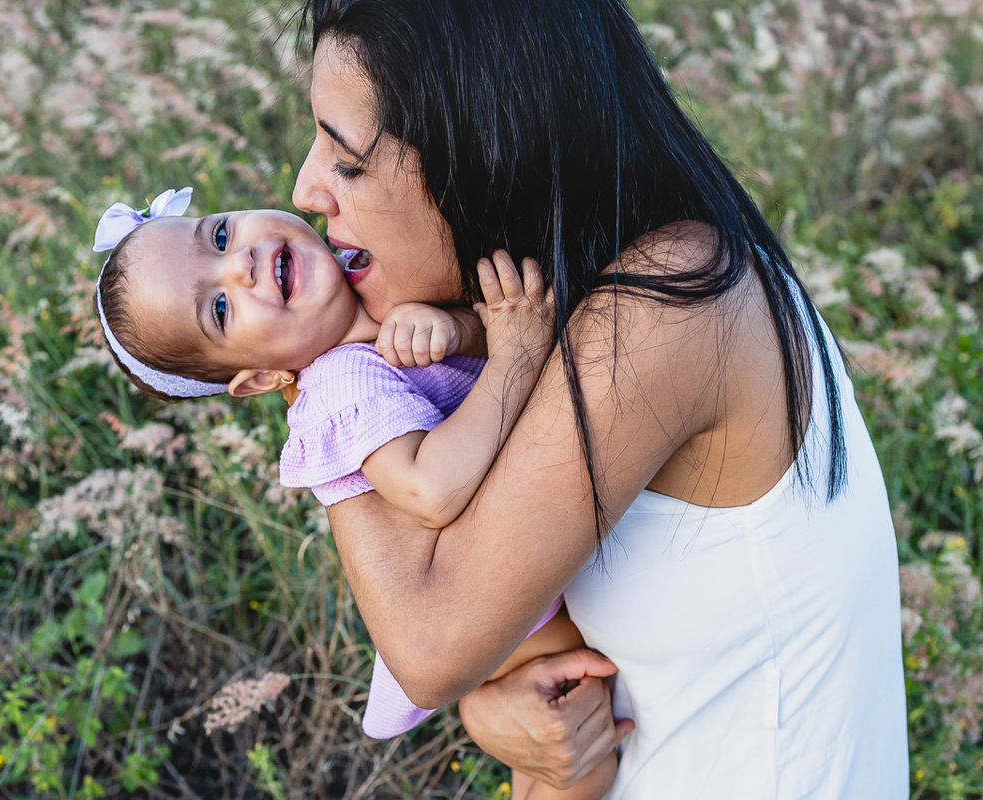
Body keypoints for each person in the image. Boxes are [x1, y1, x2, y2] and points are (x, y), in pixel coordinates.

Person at [287, 0, 908, 797]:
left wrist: (319, 367)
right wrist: (495, 705)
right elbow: (505, 640)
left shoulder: (674, 304)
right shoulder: (574, 304)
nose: (307, 188)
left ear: (484, 150)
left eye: (348, 162)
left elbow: (429, 643)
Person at [91, 187, 616, 799]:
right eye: (221, 309)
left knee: (553, 762)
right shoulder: (342, 381)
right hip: (510, 620)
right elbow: (431, 489)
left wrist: (457, 328)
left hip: (517, 558)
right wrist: (513, 358)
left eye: (220, 237)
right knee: (580, 760)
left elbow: (466, 353)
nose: (242, 265)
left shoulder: (366, 287)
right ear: (262, 377)